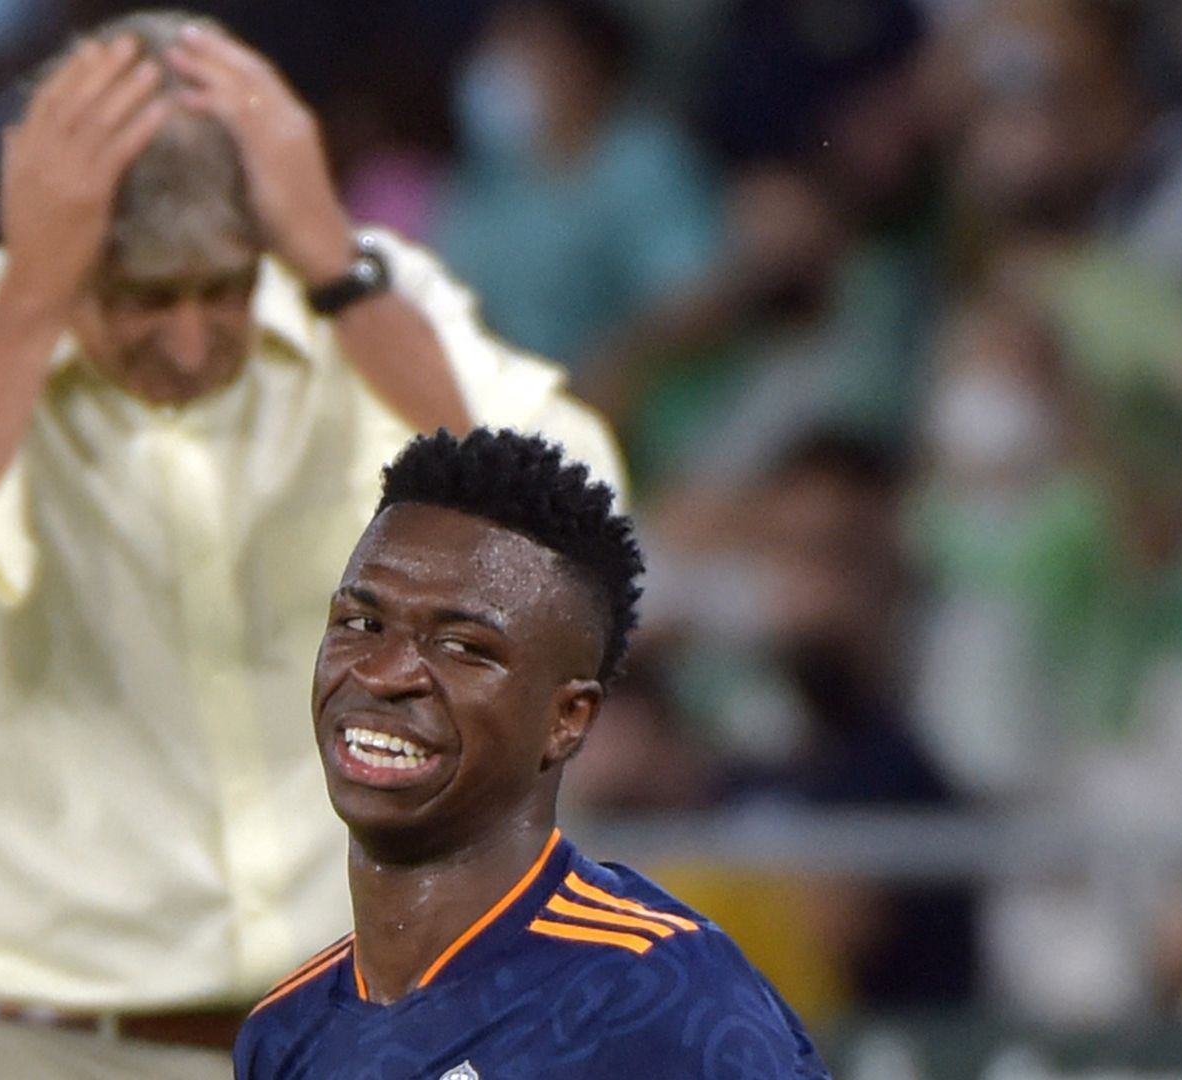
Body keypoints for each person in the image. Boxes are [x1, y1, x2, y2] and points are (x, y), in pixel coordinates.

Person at [0, 11, 622, 1080]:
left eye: (224, 289)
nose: (193, 338)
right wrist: (25, 310)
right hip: (53, 1043)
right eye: (144, 299)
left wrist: (332, 268)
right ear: (60, 257)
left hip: (360, 1034)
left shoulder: (360, 296)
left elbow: (577, 534)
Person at [235, 428, 829, 1079]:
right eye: (361, 624)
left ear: (567, 719)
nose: (382, 673)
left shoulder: (658, 991)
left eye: (462, 646)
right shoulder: (287, 1031)